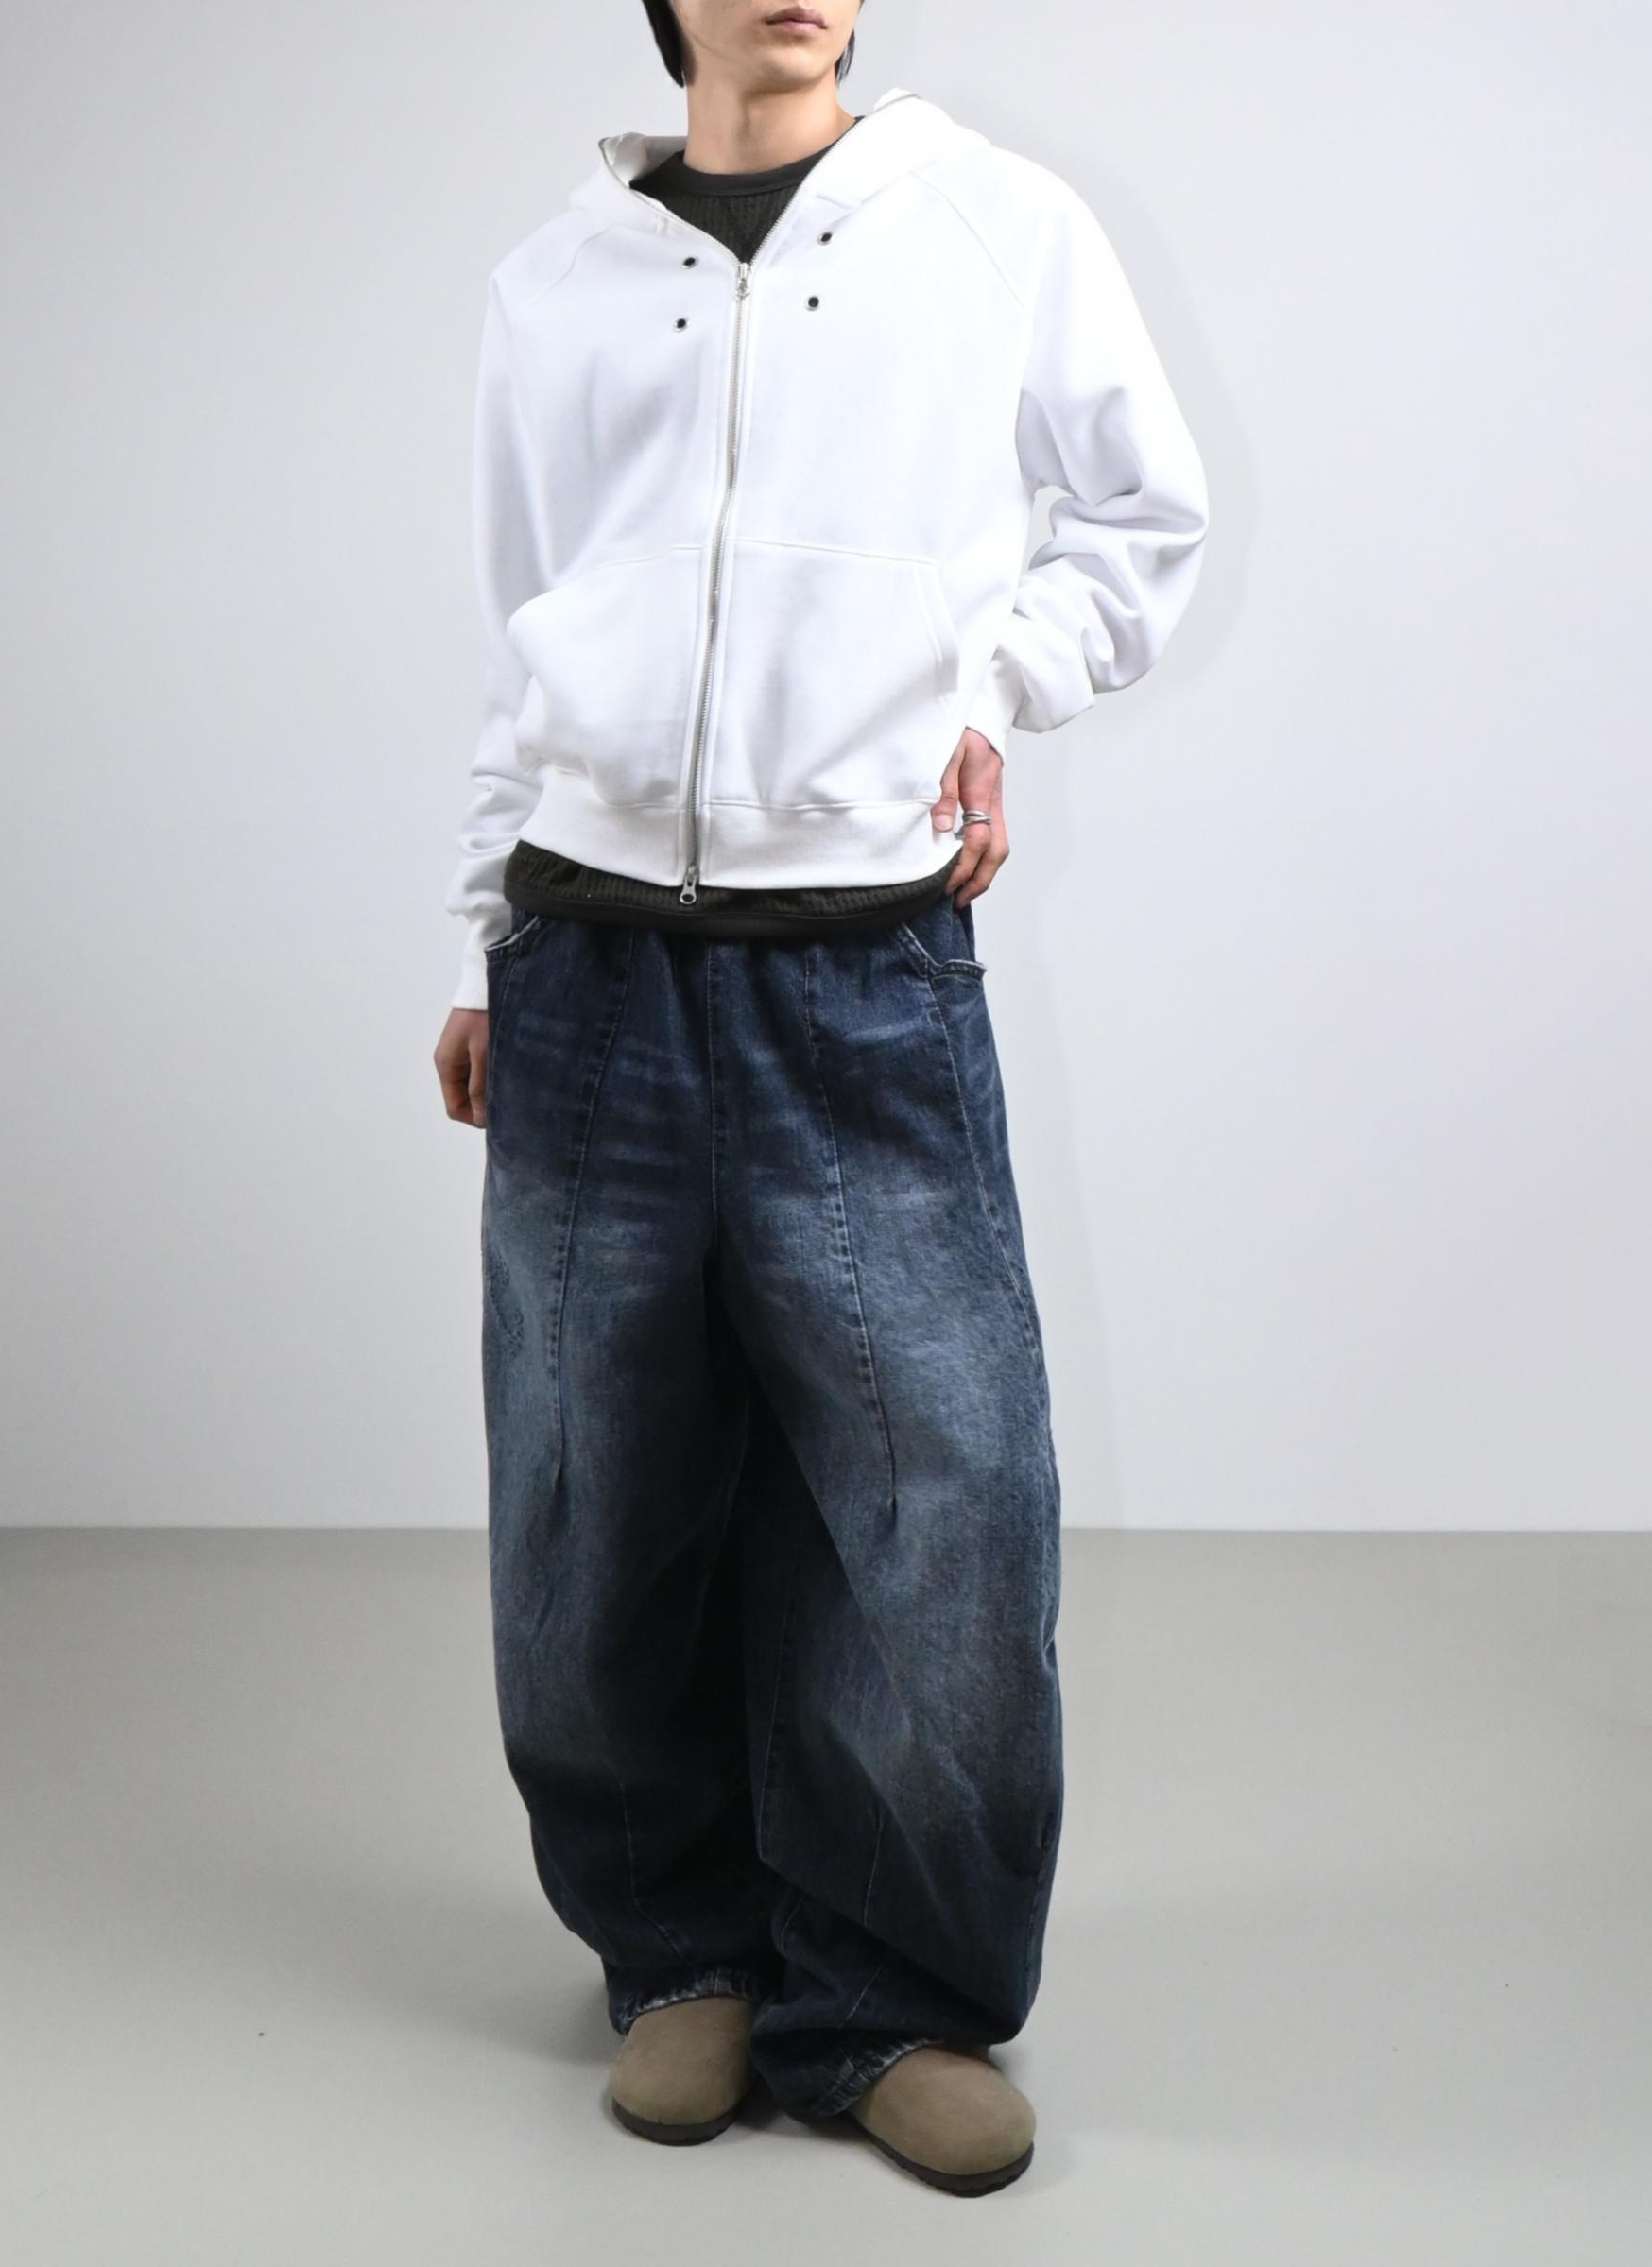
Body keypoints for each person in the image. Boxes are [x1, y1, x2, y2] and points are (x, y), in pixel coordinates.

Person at [433, 0, 1207, 2199]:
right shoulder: (560, 282)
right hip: (584, 954)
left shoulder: (991, 222)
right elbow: (525, 623)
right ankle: (677, 1953)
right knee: (595, 1496)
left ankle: (887, 2000)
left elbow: (1142, 519)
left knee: (935, 1496)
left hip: (859, 959)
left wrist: (997, 682)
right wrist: (478, 930)